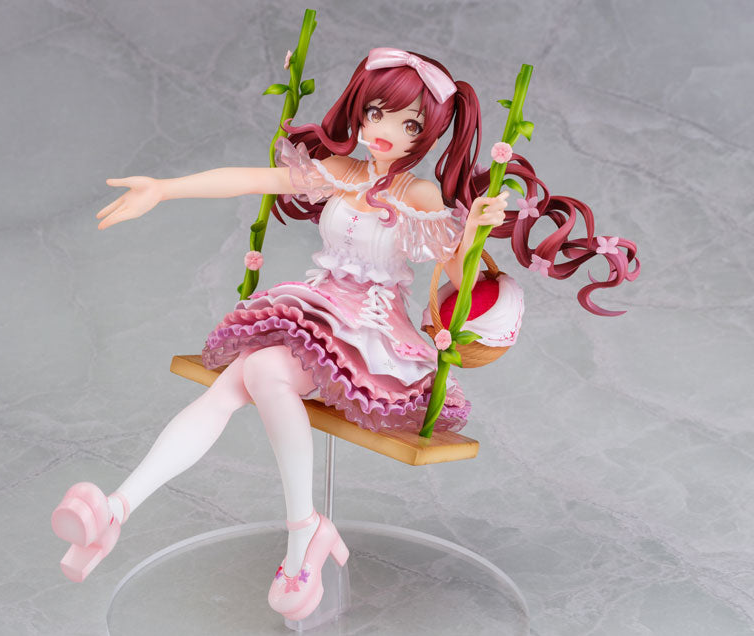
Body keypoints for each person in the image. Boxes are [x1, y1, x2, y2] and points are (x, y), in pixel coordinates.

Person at [51, 47, 637, 621]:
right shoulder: (340, 172)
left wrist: (471, 235)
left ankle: (296, 530)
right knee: (232, 386)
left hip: (367, 330)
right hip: (313, 307)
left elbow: (456, 278)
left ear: (427, 136)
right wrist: (164, 187)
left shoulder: (419, 196)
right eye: (376, 112)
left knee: (257, 372)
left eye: (409, 124)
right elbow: (250, 178)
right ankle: (120, 508)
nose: (384, 131)